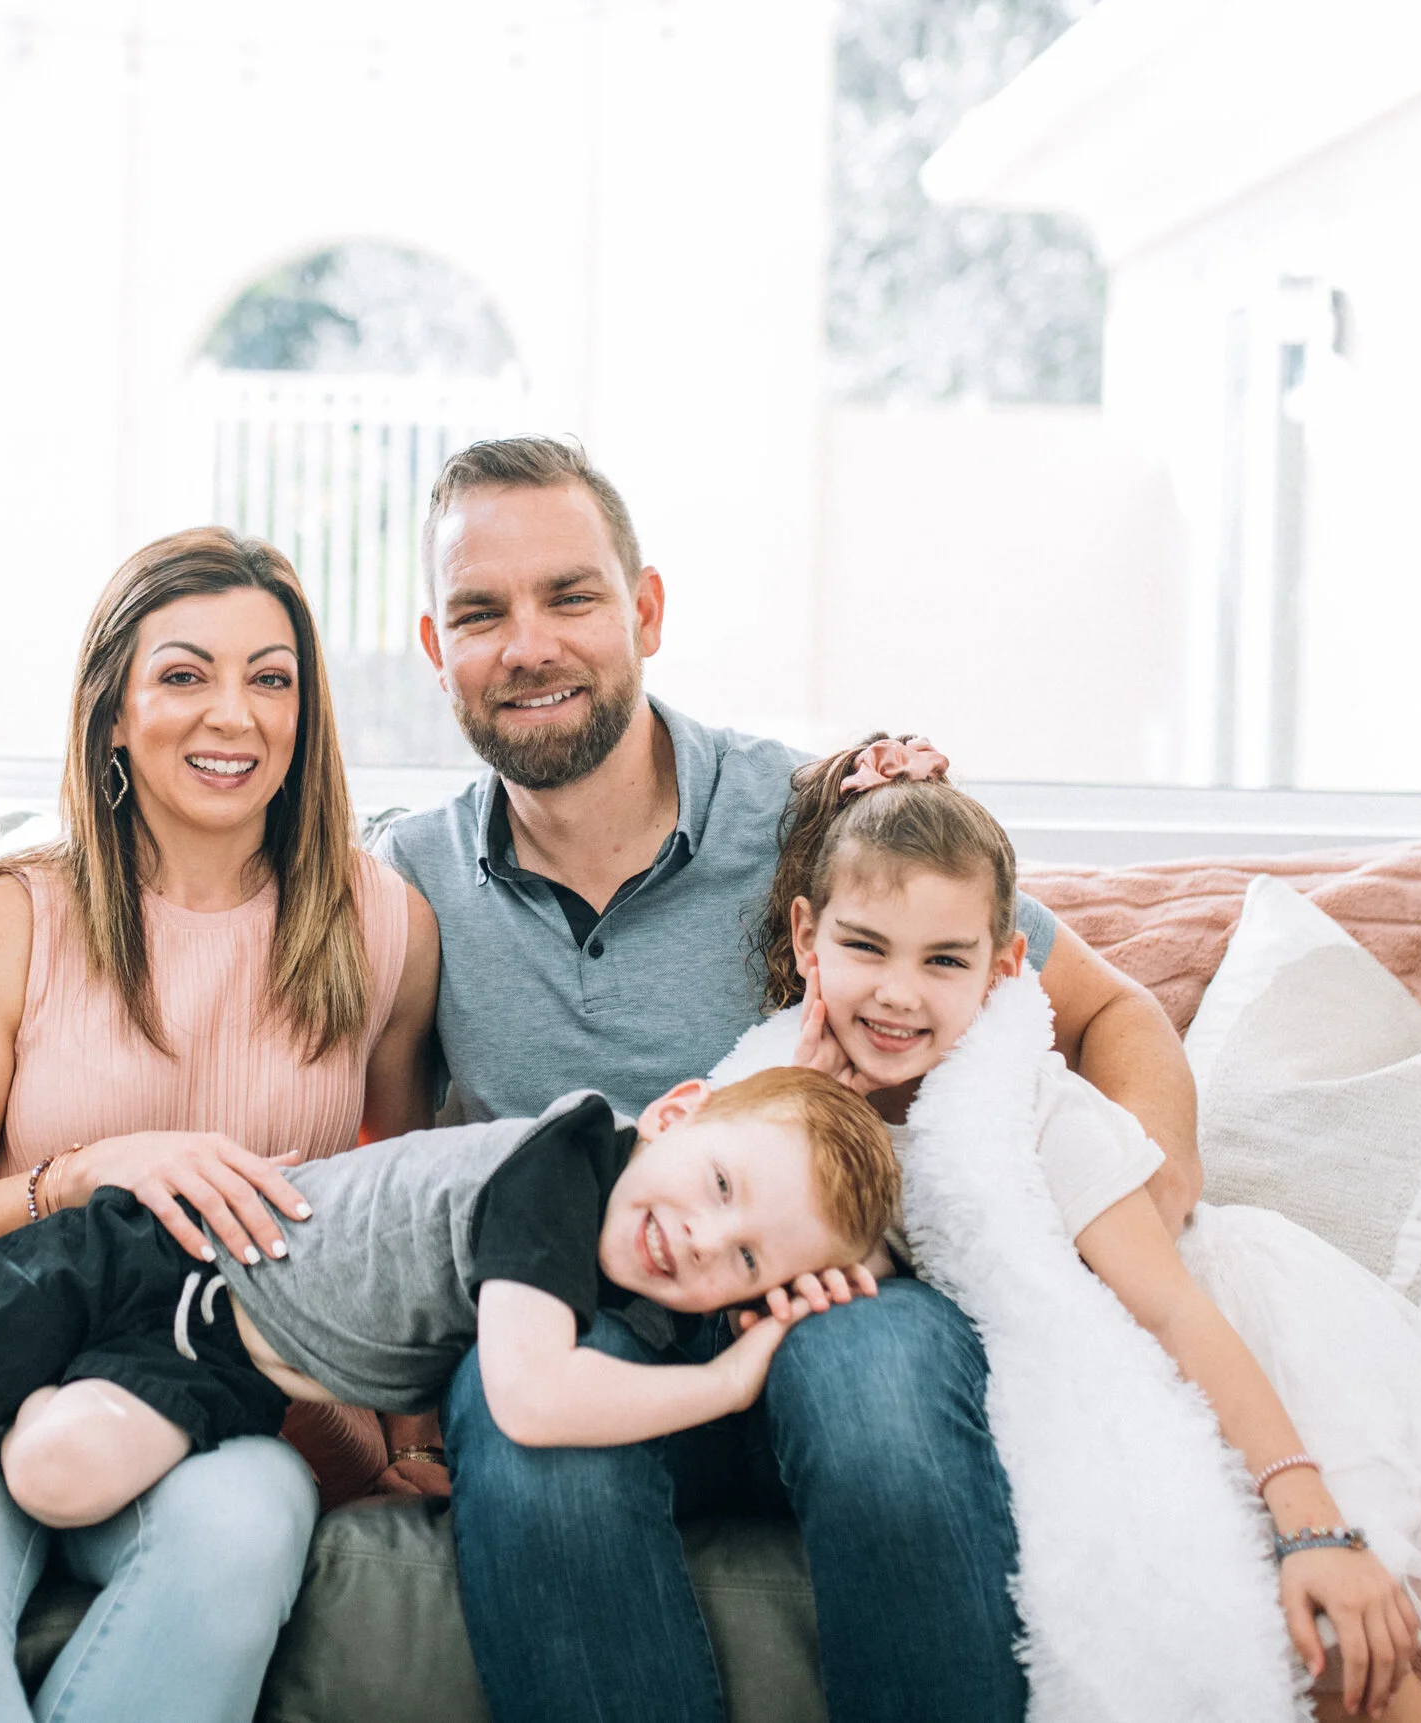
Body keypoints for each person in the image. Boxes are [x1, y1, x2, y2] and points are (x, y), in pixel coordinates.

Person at [374, 436, 1202, 1723]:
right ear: (438, 648)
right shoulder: (408, 879)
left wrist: (1151, 1211)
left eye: (571, 596)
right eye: (482, 612)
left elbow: (1111, 1012)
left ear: (643, 611)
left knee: (867, 1374)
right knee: (524, 1420)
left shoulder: (809, 819)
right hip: (586, 1316)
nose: (527, 644)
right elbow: (376, 1142)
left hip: (837, 1307)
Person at [719, 739, 1421, 1722]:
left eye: (944, 960)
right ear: (808, 940)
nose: (896, 992)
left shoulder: (1031, 1112)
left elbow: (1176, 1311)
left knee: (1330, 1643)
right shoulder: (780, 1097)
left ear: (1005, 967)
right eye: (866, 947)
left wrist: (1310, 1521)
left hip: (1201, 1355)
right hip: (1033, 1391)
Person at [0, 527, 441, 1723]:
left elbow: (394, 1212)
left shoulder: (386, 928)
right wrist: (96, 1170)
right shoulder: (12, 917)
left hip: (212, 1395)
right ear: (111, 712)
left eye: (271, 677)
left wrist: (413, 1436)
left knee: (234, 1554)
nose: (234, 716)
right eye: (185, 674)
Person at [0, 1069, 896, 1519]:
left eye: (748, 1259)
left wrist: (838, 1280)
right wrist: (732, 1375)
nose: (702, 1239)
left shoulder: (648, 1269)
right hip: (154, 1252)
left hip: (219, 1363)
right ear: (674, 1112)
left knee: (58, 1477)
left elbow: (784, 1274)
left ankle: (25, 1396)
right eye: (716, 1185)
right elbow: (530, 1400)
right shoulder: (566, 1164)